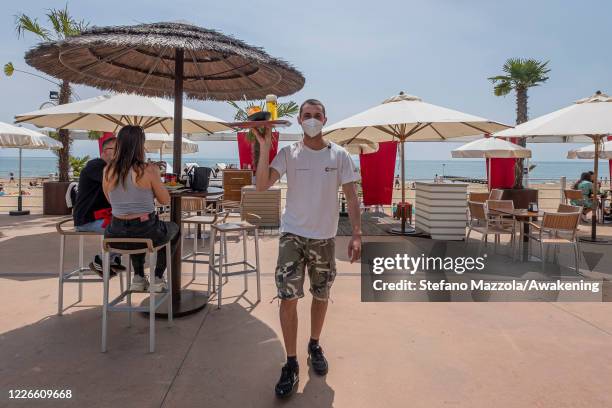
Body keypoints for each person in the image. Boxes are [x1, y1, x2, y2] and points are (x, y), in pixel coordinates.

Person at [254, 99, 362, 398]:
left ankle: (314, 343)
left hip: (325, 239)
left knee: (321, 295)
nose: (312, 119)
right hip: (292, 235)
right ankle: (290, 362)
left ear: (325, 119)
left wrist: (356, 234)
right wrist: (265, 147)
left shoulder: (339, 154)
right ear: (299, 120)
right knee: (288, 298)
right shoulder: (289, 153)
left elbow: (352, 197)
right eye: (307, 115)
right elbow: (261, 184)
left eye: (316, 115)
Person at [102, 126, 178, 292]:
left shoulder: (108, 170)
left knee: (135, 231)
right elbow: (165, 200)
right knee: (173, 229)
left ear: (119, 144)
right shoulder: (149, 170)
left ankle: (138, 277)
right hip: (145, 232)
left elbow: (111, 201)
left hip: (115, 234)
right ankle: (157, 278)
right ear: (140, 145)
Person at [73, 133, 124, 276]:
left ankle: (112, 258)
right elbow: (114, 182)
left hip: (102, 217)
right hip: (87, 220)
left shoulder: (110, 168)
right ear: (105, 151)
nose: (119, 153)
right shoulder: (96, 166)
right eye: (116, 149)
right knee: (126, 229)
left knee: (132, 225)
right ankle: (101, 259)